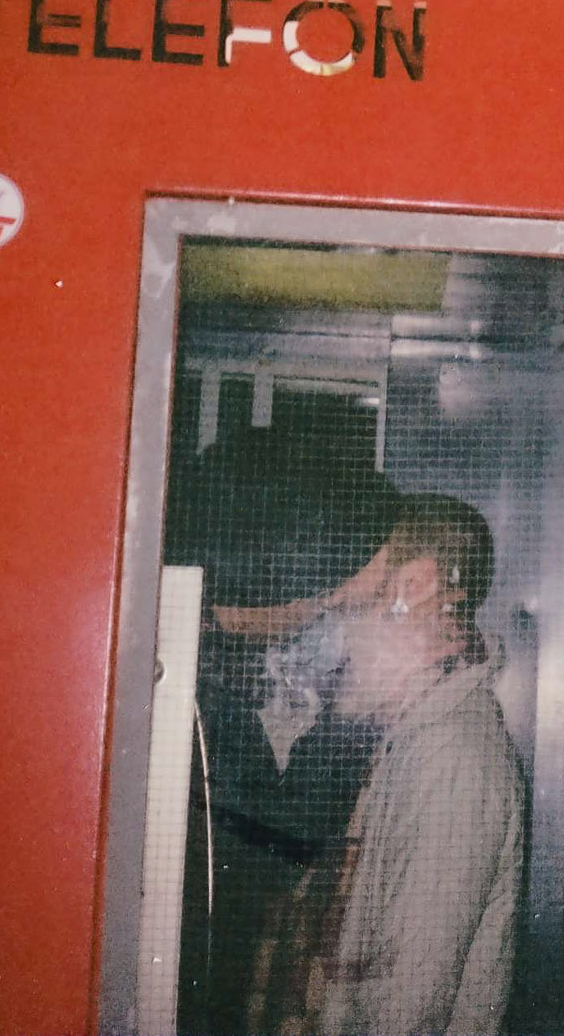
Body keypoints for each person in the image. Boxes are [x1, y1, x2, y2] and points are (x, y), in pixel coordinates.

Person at [165, 433, 403, 1036]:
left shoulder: (209, 657)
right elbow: (261, 865)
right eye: (323, 596)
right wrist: (354, 716)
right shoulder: (179, 688)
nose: (320, 613)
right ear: (265, 569)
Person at [279, 494, 526, 1036]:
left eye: (354, 579)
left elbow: (404, 1009)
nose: (336, 599)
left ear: (413, 584)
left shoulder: (453, 758)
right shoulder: (398, 725)